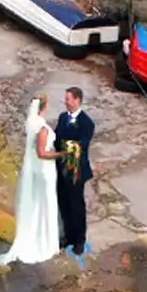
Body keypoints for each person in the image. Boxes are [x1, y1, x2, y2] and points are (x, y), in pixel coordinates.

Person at [0, 95, 61, 267]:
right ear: (45, 106)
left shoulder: (30, 122)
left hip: (34, 168)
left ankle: (35, 235)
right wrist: (62, 154)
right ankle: (44, 243)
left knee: (36, 204)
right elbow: (42, 153)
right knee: (45, 204)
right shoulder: (42, 128)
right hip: (44, 169)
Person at [52, 86, 94, 260]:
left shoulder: (87, 122)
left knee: (76, 206)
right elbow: (57, 138)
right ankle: (68, 236)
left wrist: (65, 148)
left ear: (77, 100)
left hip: (76, 171)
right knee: (64, 203)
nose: (66, 102)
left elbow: (81, 145)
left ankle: (79, 240)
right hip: (61, 169)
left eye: (68, 99)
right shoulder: (62, 117)